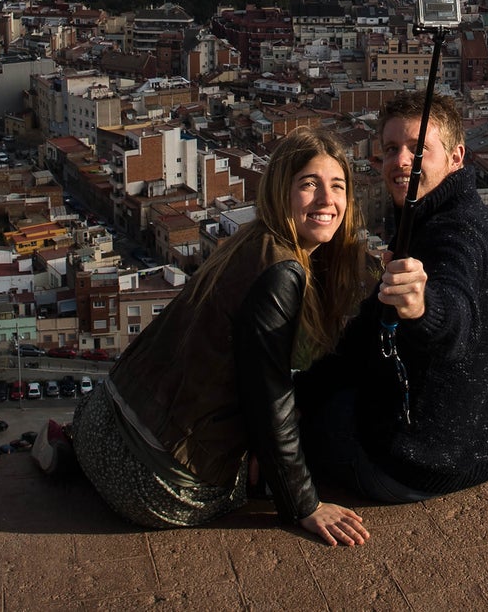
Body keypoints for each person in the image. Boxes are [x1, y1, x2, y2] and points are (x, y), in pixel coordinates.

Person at [45, 128, 374, 545]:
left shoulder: (246, 242)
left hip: (98, 425)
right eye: (309, 185)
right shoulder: (281, 272)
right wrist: (304, 504)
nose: (328, 200)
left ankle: (75, 462)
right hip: (155, 484)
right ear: (280, 191)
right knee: (289, 451)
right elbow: (269, 398)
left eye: (337, 186)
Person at [301, 91, 488, 503]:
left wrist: (422, 307)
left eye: (417, 150)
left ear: (456, 157)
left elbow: (456, 319)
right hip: (484, 445)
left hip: (418, 465)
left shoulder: (453, 235)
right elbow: (369, 331)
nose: (401, 161)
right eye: (390, 149)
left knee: (290, 433)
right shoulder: (447, 215)